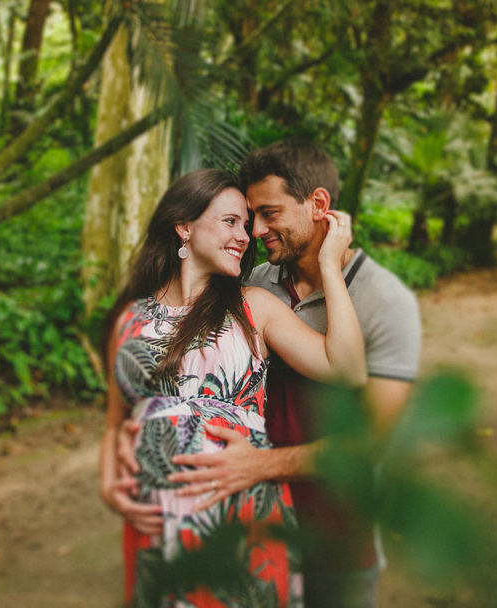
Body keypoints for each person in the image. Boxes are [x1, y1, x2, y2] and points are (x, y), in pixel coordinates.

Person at [165, 140, 422, 608]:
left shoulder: (388, 303)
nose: (257, 230)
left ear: (318, 205)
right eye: (249, 216)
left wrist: (260, 464)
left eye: (269, 213)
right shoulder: (257, 285)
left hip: (335, 539)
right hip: (253, 528)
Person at [98, 167, 367, 608]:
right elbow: (115, 422)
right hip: (156, 524)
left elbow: (348, 367)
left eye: (246, 225)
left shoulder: (253, 308)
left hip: (241, 515)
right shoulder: (130, 320)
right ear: (184, 226)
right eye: (230, 222)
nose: (245, 236)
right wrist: (110, 481)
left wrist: (328, 266)